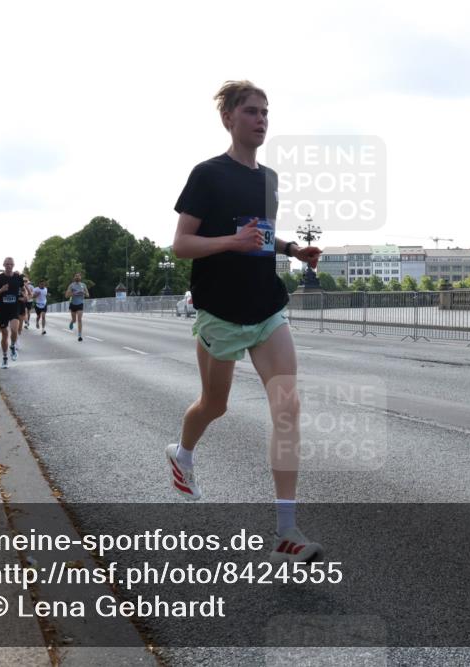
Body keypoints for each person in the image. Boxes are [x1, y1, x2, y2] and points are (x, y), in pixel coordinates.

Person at [169, 80, 323, 562]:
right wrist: (229, 244)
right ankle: (183, 454)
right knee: (214, 406)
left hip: (266, 307)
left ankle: (286, 530)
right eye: (252, 111)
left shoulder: (269, 180)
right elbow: (181, 244)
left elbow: (262, 237)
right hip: (220, 311)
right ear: (229, 119)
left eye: (266, 112)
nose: (261, 120)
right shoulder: (207, 174)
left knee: (287, 406)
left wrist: (294, 249)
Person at [0, 258, 24, 369]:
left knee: (14, 330)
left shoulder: (18, 278)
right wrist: (1, 290)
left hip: (14, 309)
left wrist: (25, 296)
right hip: (2, 311)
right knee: (5, 335)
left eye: (11, 264)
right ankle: (5, 358)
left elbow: (23, 290)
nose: (9, 266)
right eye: (7, 264)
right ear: (4, 265)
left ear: (13, 265)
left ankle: (13, 346)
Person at [65, 273, 89, 342]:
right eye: (76, 276)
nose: (77, 277)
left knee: (79, 319)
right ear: (74, 278)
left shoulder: (83, 285)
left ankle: (79, 335)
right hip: (73, 304)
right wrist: (73, 293)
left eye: (78, 276)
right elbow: (66, 295)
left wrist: (84, 293)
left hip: (80, 304)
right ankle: (72, 322)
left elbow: (88, 295)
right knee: (74, 320)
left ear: (80, 277)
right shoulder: (71, 285)